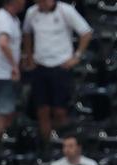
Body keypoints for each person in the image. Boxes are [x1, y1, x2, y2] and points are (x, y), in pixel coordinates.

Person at [21, 0, 92, 143]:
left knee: (60, 111)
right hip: (40, 67)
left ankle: (60, 143)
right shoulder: (31, 13)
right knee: (42, 111)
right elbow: (27, 33)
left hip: (61, 67)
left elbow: (86, 32)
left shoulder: (65, 11)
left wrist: (76, 56)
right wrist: (29, 55)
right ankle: (46, 145)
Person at [0, 0, 24, 143]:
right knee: (3, 113)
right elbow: (3, 43)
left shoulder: (12, 19)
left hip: (4, 73)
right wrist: (14, 65)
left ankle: (2, 143)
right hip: (2, 73)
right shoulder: (3, 19)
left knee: (8, 113)